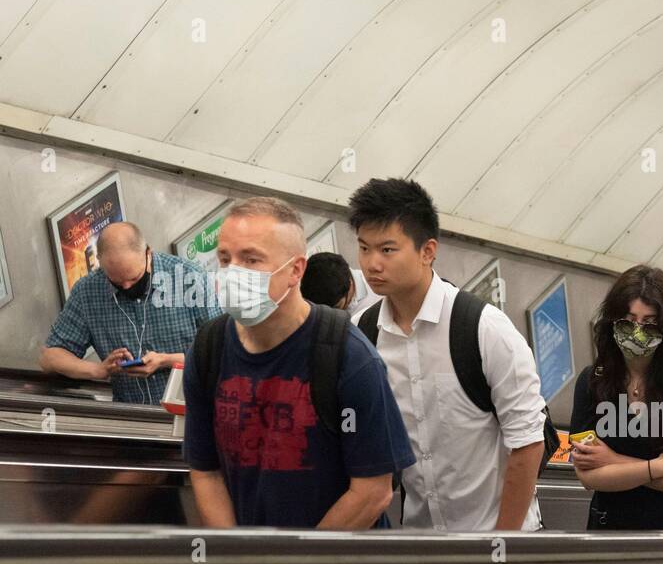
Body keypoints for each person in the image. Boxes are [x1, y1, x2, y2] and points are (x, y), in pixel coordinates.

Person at [182, 196, 414, 529]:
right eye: (224, 259)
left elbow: (373, 492)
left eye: (251, 260)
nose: (233, 273)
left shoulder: (349, 357)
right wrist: (237, 557)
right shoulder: (209, 349)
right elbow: (206, 471)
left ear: (295, 270)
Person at [347, 177, 546, 531]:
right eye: (364, 248)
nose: (372, 263)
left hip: (499, 539)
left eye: (387, 249)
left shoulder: (483, 328)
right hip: (423, 545)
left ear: (427, 251)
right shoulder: (363, 331)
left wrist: (503, 541)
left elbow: (528, 442)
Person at [569, 265, 663, 530]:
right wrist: (659, 467)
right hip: (611, 527)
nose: (637, 331)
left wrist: (613, 461)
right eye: (628, 321)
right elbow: (588, 476)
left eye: (649, 323)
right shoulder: (593, 382)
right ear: (612, 322)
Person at [41, 222, 220, 404]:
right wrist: (99, 370)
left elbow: (223, 353)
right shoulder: (87, 292)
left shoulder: (191, 279)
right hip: (133, 419)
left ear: (147, 254)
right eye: (117, 282)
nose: (127, 287)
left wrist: (165, 360)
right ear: (100, 262)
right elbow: (50, 357)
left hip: (196, 410)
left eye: (134, 278)